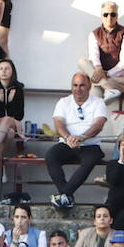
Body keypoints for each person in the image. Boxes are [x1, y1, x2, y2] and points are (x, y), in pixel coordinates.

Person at [46, 73, 108, 210]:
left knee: (89, 160)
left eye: (82, 85)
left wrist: (83, 137)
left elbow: (98, 125)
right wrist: (68, 138)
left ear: (89, 87)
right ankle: (66, 195)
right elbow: (58, 124)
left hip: (90, 144)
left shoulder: (98, 102)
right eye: (75, 85)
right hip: (67, 143)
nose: (78, 89)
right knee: (51, 155)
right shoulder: (63, 102)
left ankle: (63, 195)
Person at [80, 2, 124, 103]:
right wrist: (99, 69)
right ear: (101, 16)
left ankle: (106, 88)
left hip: (119, 79)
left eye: (113, 14)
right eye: (106, 14)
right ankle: (108, 89)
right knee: (82, 62)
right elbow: (93, 56)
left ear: (117, 16)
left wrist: (107, 73)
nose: (109, 17)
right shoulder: (94, 34)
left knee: (95, 86)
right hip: (102, 77)